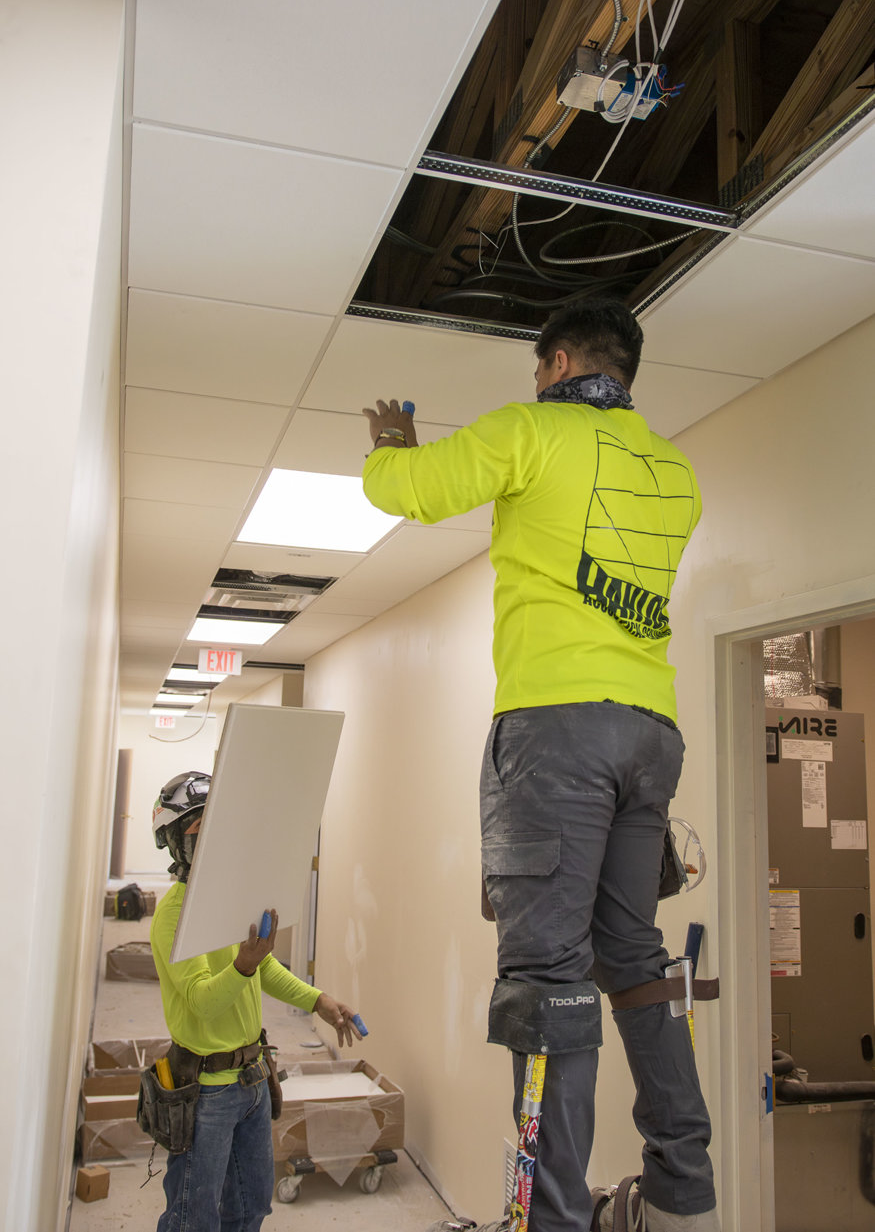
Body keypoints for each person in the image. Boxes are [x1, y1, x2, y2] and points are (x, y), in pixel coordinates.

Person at [361, 299, 718, 1232]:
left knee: (546, 974)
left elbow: (409, 492)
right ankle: (684, 1186)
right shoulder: (675, 469)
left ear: (556, 362)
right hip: (651, 732)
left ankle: (547, 1217)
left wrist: (394, 443)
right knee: (632, 956)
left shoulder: (534, 427)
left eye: (536, 370)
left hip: (558, 731)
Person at [149, 770, 361, 1232]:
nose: (212, 840)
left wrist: (317, 999)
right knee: (193, 1218)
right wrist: (243, 965)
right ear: (173, 839)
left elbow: (261, 966)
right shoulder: (172, 916)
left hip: (253, 1081)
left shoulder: (230, 898)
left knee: (250, 1209)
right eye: (198, 829)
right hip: (206, 1091)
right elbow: (205, 1000)